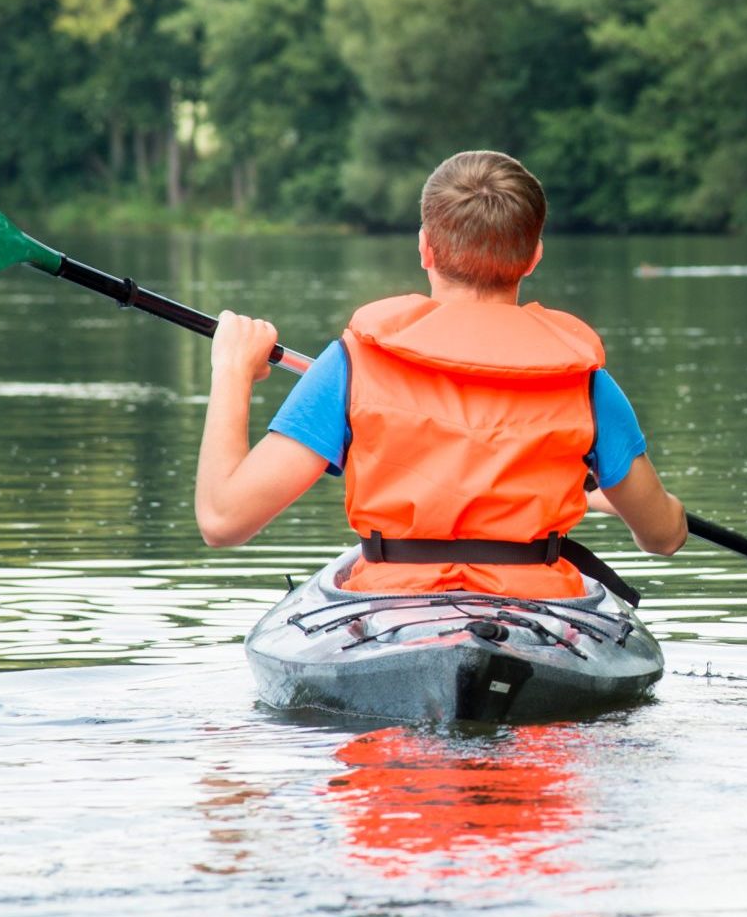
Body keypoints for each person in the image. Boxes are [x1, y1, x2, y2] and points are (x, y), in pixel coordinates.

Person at [191, 150, 685, 601]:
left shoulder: (350, 364)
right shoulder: (587, 383)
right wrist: (648, 508)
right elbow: (662, 537)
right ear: (534, 256)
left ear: (425, 248)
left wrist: (232, 369)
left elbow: (223, 521)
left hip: (392, 608)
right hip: (540, 608)